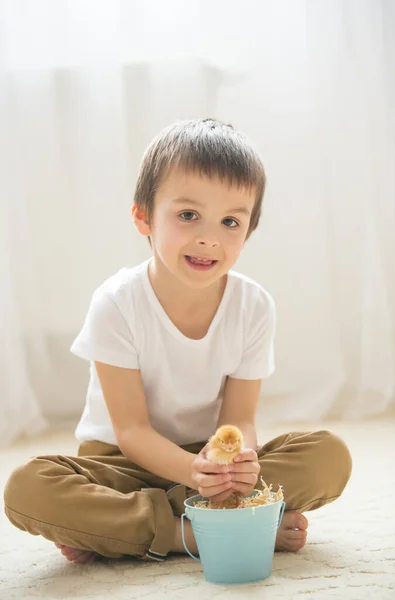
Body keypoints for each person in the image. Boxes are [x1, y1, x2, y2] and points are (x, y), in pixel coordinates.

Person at [3, 118, 352, 564]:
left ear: (248, 231)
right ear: (143, 217)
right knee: (28, 487)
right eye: (188, 215)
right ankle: (204, 531)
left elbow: (239, 419)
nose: (208, 237)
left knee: (328, 456)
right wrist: (193, 474)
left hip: (206, 460)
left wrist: (237, 462)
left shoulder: (254, 306)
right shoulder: (116, 303)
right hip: (121, 465)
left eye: (230, 221)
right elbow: (130, 432)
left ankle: (126, 530)